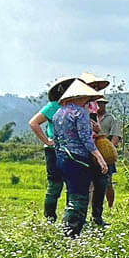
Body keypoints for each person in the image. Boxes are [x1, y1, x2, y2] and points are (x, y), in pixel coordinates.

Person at [50, 80, 108, 237]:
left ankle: (68, 230)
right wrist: (100, 158)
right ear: (80, 96)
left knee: (72, 194)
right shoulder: (80, 113)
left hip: (63, 158)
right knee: (79, 199)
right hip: (78, 159)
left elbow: (55, 139)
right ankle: (72, 233)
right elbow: (86, 139)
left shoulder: (58, 114)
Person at [28, 75, 78, 222]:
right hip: (55, 150)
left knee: (72, 185)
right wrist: (47, 141)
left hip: (72, 149)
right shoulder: (53, 106)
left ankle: (70, 218)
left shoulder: (77, 107)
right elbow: (34, 123)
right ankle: (50, 218)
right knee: (55, 185)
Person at [79, 72, 112, 228]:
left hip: (94, 146)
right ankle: (78, 218)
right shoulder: (75, 105)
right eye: (94, 86)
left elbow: (96, 125)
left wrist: (97, 127)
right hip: (80, 148)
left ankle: (97, 217)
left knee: (101, 182)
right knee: (80, 185)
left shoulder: (93, 105)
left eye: (97, 87)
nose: (96, 89)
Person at [95, 93, 122, 211]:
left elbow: (116, 135)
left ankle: (110, 206)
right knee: (92, 183)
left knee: (108, 182)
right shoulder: (90, 116)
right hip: (92, 151)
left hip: (106, 152)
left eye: (102, 104)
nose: (100, 106)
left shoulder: (111, 119)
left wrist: (110, 149)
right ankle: (93, 206)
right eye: (98, 103)